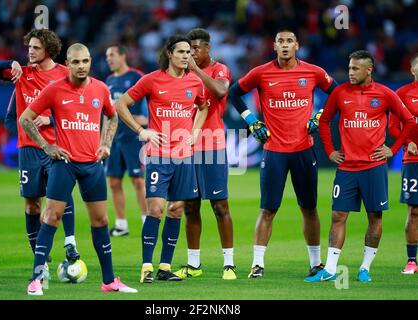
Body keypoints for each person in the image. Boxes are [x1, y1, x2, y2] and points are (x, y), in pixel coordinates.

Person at [20, 43, 137, 295]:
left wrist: (106, 143)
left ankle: (108, 282)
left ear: (90, 62)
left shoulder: (101, 88)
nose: (81, 66)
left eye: (85, 61)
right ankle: (36, 280)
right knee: (51, 217)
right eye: (75, 62)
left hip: (93, 166)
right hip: (64, 165)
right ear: (68, 63)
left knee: (101, 220)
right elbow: (25, 118)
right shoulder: (54, 90)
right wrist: (46, 145)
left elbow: (113, 115)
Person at [228, 28, 337, 278]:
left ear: (297, 45)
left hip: (304, 149)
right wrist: (252, 121)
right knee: (268, 209)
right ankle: (257, 264)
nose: (285, 45)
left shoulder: (313, 71)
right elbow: (234, 92)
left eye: (289, 41)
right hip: (273, 150)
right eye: (280, 41)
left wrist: (319, 117)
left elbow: (337, 94)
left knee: (309, 208)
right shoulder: (261, 72)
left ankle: (315, 262)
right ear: (274, 46)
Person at [305, 50, 415, 283]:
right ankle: (331, 269)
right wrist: (330, 151)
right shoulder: (340, 92)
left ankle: (365, 268)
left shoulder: (385, 94)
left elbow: (408, 121)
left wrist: (392, 150)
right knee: (338, 215)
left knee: (374, 217)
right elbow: (324, 121)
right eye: (349, 68)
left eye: (355, 68)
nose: (350, 73)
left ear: (369, 70)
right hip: (346, 167)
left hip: (374, 167)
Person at [0, 29, 80, 267]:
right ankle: (40, 256)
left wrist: (51, 120)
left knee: (61, 194)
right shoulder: (21, 74)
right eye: (29, 47)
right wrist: (9, 62)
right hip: (29, 148)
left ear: (48, 50)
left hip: (57, 144)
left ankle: (70, 242)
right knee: (32, 203)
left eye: (35, 47)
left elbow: (78, 107)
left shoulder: (65, 75)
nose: (30, 52)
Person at [115, 35, 208, 283]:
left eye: (189, 52)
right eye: (181, 51)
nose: (186, 55)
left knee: (176, 210)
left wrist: (196, 132)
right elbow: (121, 104)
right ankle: (146, 266)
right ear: (169, 53)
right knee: (155, 209)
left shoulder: (195, 82)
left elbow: (204, 107)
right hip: (158, 155)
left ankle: (164, 267)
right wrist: (141, 130)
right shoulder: (152, 80)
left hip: (184, 156)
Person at [169, 28, 236, 280]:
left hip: (212, 145)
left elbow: (220, 91)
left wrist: (196, 70)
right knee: (190, 207)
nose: (192, 53)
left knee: (220, 206)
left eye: (196, 48)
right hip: (187, 148)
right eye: (189, 49)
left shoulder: (220, 70)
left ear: (208, 49)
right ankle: (194, 265)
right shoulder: (180, 74)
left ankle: (229, 264)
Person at [104, 45, 148, 237]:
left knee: (138, 180)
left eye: (112, 55)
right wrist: (103, 139)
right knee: (114, 181)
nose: (108, 59)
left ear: (123, 56)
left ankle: (147, 220)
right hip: (115, 137)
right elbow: (107, 112)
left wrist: (147, 119)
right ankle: (121, 224)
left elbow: (151, 98)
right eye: (107, 56)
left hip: (133, 137)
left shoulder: (137, 76)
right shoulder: (109, 81)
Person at [388, 53, 418, 275]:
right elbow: (393, 126)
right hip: (413, 159)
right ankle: (411, 260)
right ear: (412, 70)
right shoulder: (402, 94)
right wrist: (408, 142)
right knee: (414, 210)